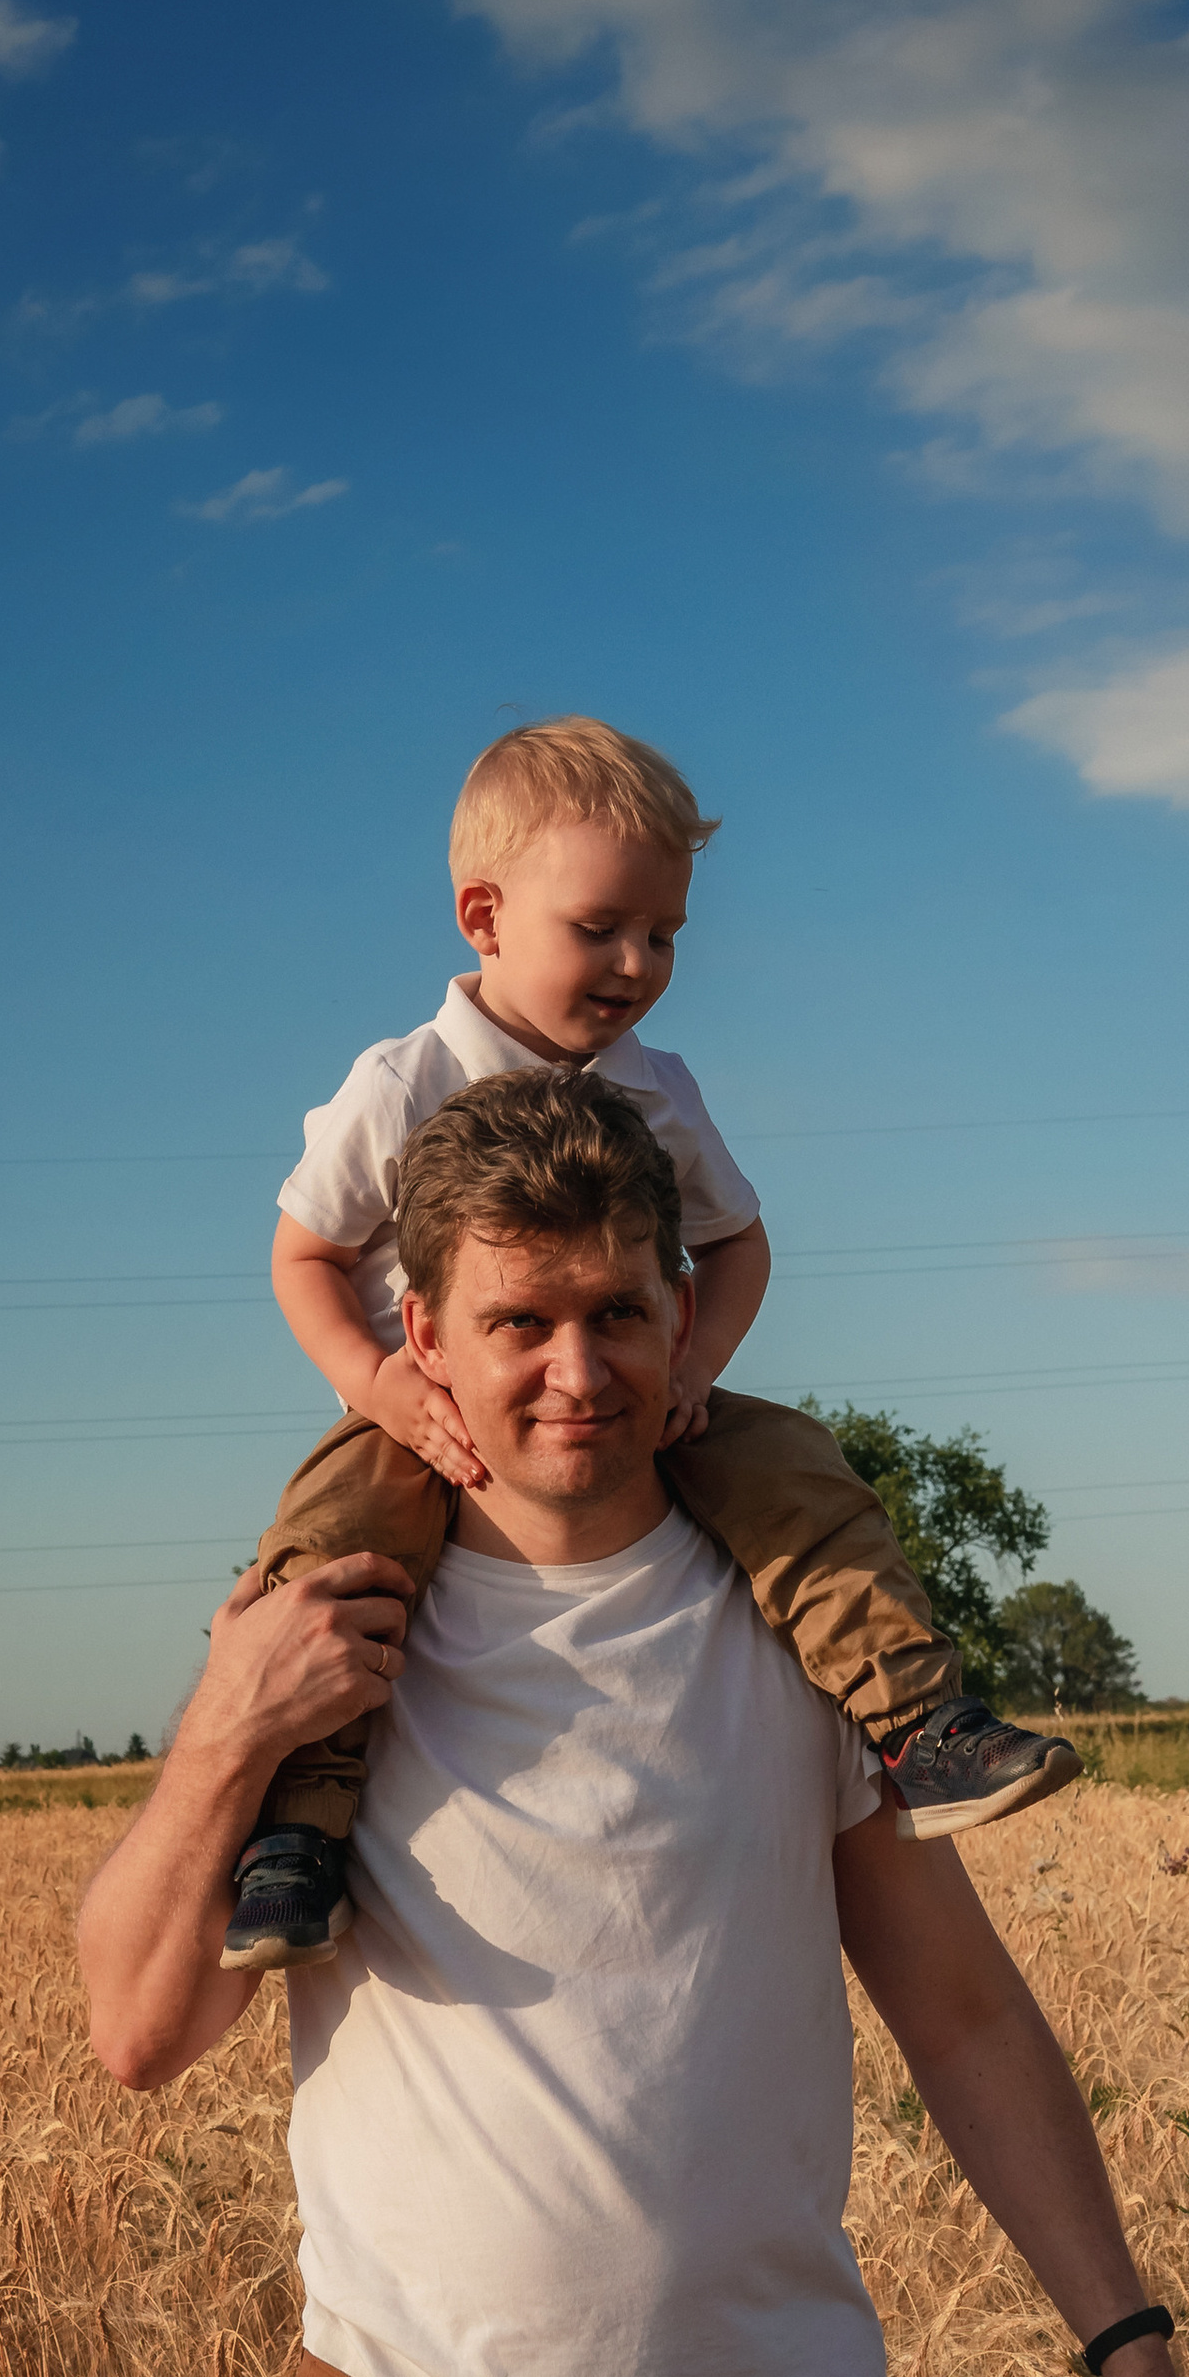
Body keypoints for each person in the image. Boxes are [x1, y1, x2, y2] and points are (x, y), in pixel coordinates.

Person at [78, 1066, 1189, 2377]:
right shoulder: (334, 1634)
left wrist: (1137, 2364)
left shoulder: (792, 1619)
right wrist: (229, 1726)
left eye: (618, 1311)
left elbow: (959, 2011)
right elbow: (138, 2029)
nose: (574, 1371)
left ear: (686, 1314)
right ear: (419, 1343)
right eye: (515, 1323)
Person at [222, 713, 1078, 1968]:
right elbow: (302, 1254)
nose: (637, 961)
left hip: (632, 1393)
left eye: (664, 932)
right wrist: (378, 1384)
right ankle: (295, 1837)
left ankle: (922, 1726)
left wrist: (691, 1370)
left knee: (793, 1474)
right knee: (331, 1555)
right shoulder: (400, 1084)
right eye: (601, 928)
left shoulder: (659, 1087)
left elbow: (741, 1245)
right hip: (436, 1415)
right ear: (484, 915)